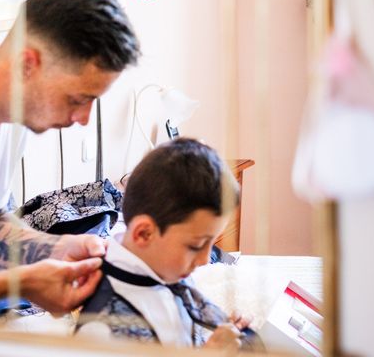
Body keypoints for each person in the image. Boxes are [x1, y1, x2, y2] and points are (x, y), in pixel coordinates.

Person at [0, 0, 140, 313]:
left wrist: (57, 246)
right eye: (78, 99)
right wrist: (23, 283)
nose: (83, 118)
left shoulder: (13, 120)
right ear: (26, 65)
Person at [76, 138, 255, 351]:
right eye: (195, 245)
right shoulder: (104, 327)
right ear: (144, 234)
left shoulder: (166, 269)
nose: (206, 259)